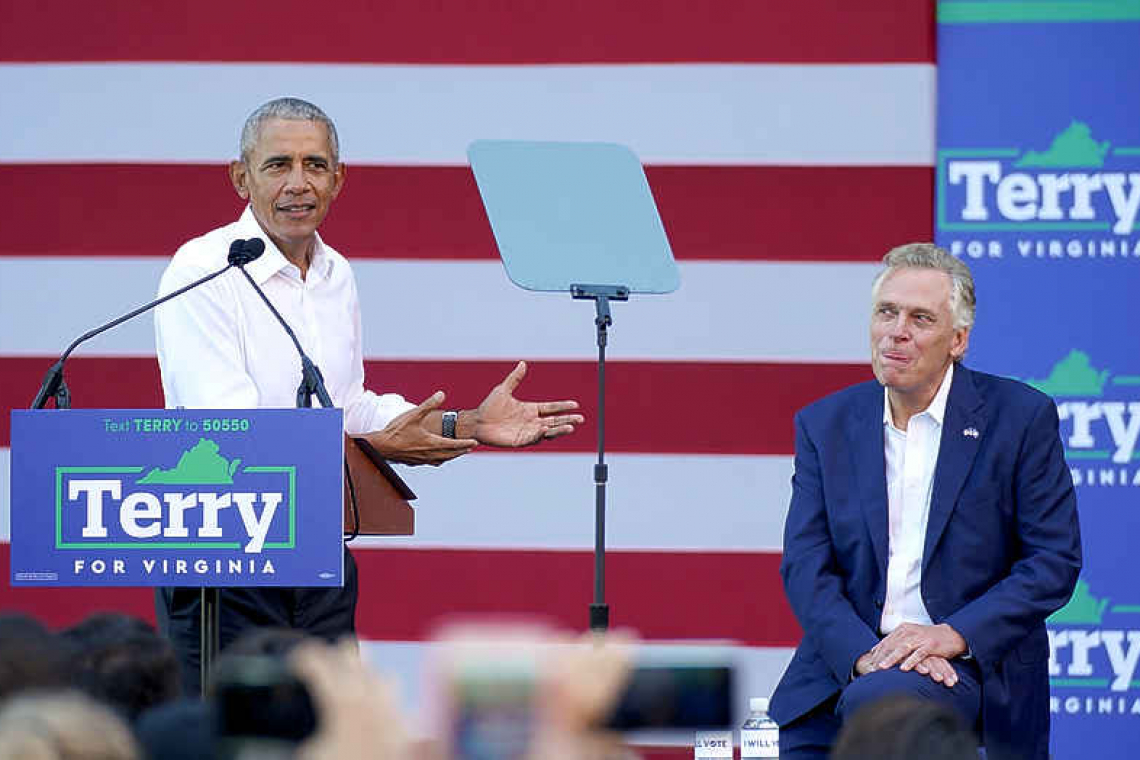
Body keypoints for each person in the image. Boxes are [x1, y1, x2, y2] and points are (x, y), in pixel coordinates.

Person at [153, 97, 584, 694]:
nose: (298, 183)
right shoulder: (205, 269)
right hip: (225, 563)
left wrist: (467, 423)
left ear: (339, 178)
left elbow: (348, 403)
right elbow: (230, 433)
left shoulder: (337, 275)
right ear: (241, 177)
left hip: (318, 555)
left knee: (337, 737)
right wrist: (371, 444)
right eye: (278, 165)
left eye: (315, 165)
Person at [769, 243, 1081, 760]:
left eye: (920, 318)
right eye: (887, 312)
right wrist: (864, 655)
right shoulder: (826, 424)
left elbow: (1053, 562)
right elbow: (806, 566)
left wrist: (952, 635)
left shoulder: (1020, 418)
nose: (897, 330)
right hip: (846, 661)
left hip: (968, 663)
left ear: (957, 340)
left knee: (884, 711)